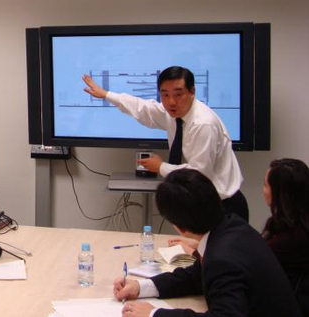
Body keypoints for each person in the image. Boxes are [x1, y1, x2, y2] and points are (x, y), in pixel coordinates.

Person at [114, 169, 301, 317]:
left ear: (179, 227)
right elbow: (196, 276)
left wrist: (154, 314)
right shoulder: (233, 226)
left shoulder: (222, 258)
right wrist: (141, 287)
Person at [83, 66, 248, 221]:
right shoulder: (175, 113)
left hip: (223, 207)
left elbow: (199, 174)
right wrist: (107, 94)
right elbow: (143, 108)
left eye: (178, 94)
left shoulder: (203, 124)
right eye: (165, 95)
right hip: (202, 202)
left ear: (192, 92)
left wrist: (161, 167)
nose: (171, 102)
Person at [262, 158, 309, 315]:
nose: (263, 190)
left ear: (280, 193)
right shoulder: (284, 225)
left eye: (265, 185)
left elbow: (252, 264)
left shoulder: (289, 240)